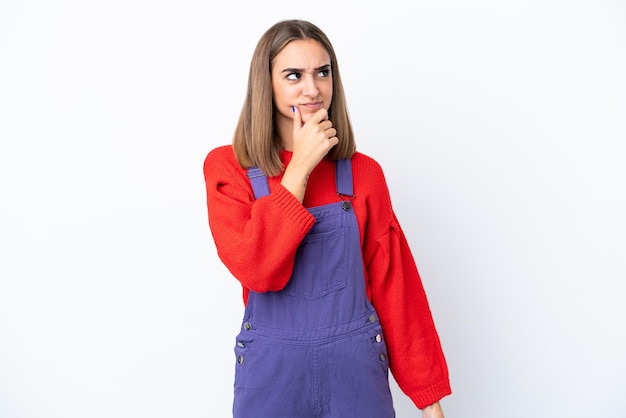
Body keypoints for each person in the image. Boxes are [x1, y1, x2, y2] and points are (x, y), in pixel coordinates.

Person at [203, 19, 451, 418]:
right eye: (293, 75)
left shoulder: (364, 174)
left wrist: (430, 399)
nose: (312, 88)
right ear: (266, 84)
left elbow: (396, 287)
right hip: (272, 377)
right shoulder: (229, 168)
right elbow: (258, 269)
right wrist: (299, 167)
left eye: (323, 72)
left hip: (355, 372)